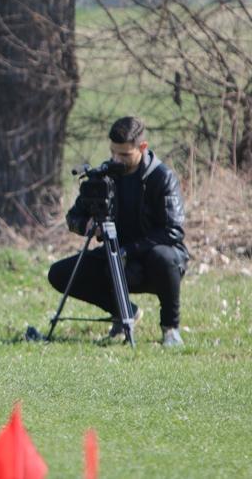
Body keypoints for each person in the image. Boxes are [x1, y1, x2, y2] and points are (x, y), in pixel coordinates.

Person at [47, 117, 189, 347]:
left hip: (153, 260)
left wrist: (128, 249)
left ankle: (170, 329)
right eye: (113, 153)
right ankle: (124, 313)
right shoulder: (105, 175)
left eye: (124, 155)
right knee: (59, 273)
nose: (116, 159)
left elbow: (173, 232)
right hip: (114, 258)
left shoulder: (162, 177)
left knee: (165, 257)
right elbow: (73, 217)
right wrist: (89, 226)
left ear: (142, 147)